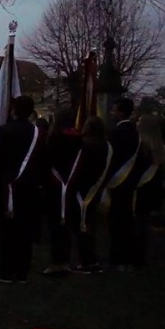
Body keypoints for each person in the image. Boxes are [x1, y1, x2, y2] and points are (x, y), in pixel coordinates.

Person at [0, 96, 45, 284]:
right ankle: (22, 271)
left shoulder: (4, 131)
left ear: (14, 110)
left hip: (9, 185)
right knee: (25, 230)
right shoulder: (37, 132)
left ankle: (5, 269)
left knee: (8, 230)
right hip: (30, 186)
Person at [70, 116, 113, 274]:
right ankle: (91, 259)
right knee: (89, 225)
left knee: (83, 226)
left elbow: (78, 168)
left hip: (83, 190)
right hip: (96, 188)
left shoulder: (86, 146)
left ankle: (87, 261)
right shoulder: (107, 146)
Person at [42, 108, 82, 276]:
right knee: (67, 223)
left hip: (55, 183)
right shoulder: (79, 138)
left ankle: (56, 261)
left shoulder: (54, 137)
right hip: (72, 184)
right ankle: (65, 260)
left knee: (55, 223)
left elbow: (47, 159)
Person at [105, 97, 141, 272]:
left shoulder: (117, 133)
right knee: (127, 221)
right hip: (131, 182)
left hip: (118, 182)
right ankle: (128, 257)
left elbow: (110, 158)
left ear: (121, 112)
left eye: (114, 110)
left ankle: (118, 257)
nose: (112, 113)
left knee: (117, 222)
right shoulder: (135, 132)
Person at [133, 115, 165, 268]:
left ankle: (137, 256)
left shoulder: (142, 148)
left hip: (141, 191)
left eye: (139, 122)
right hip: (150, 193)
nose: (137, 124)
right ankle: (141, 255)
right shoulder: (158, 149)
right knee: (143, 225)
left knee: (138, 226)